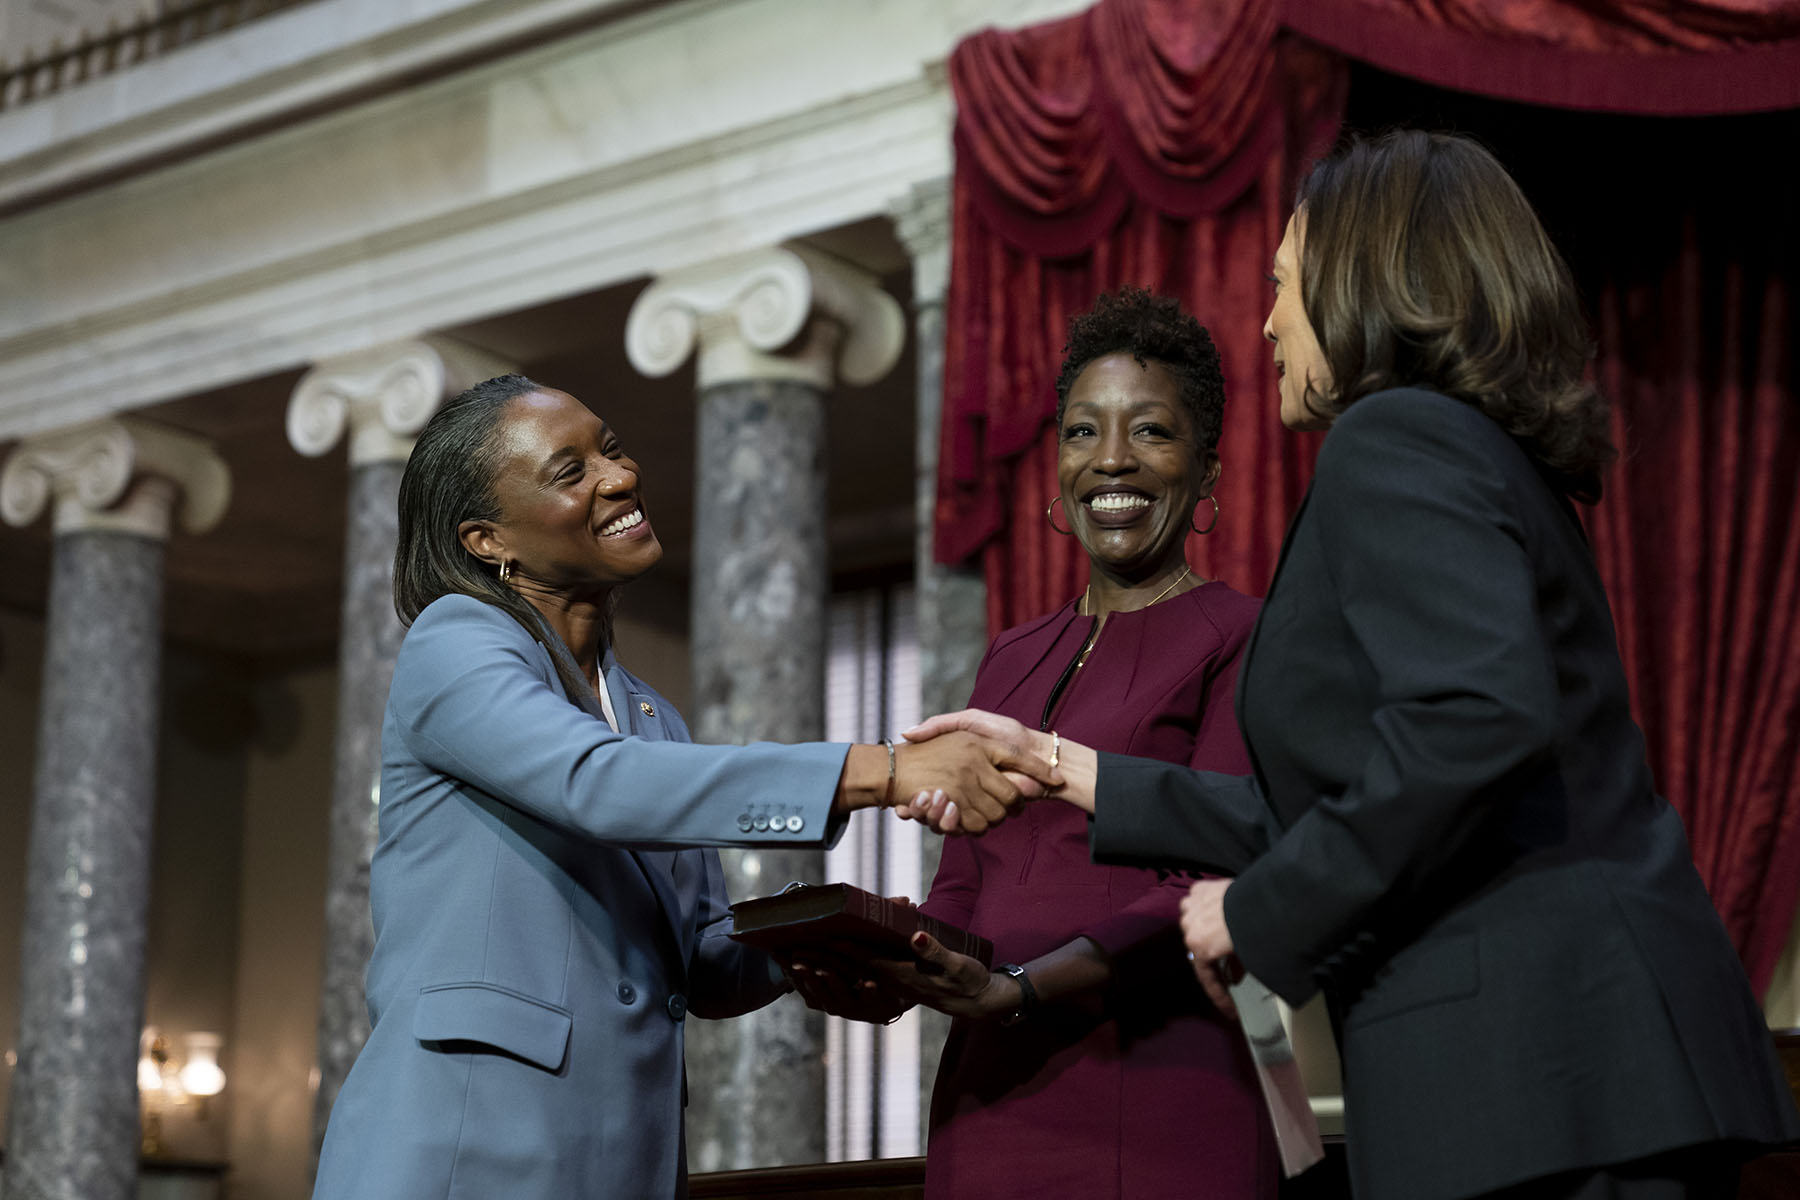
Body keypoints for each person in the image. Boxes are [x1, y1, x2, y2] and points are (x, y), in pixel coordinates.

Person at [905, 131, 1800, 1200]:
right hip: (1577, 1068)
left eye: (1285, 286)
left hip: (1540, 1069)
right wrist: (1055, 764)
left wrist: (1258, 908)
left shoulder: (1396, 436)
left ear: (1365, 280)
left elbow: (1472, 725)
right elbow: (1337, 793)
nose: (1272, 322)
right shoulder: (1476, 448)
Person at [309, 375, 1048, 1200]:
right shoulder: (454, 639)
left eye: (612, 449)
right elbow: (591, 781)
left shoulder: (651, 717)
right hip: (461, 1154)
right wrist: (884, 768)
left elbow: (697, 966)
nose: (619, 477)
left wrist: (822, 938)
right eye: (570, 470)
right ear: (487, 541)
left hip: (625, 1162)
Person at [865, 289, 1277, 1198]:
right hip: (991, 1087)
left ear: (1207, 473)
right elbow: (965, 877)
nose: (1111, 460)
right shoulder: (1011, 653)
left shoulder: (1246, 636)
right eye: (1083, 432)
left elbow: (1213, 872)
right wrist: (922, 959)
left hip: (1163, 1086)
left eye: (1152, 433)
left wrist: (1024, 986)